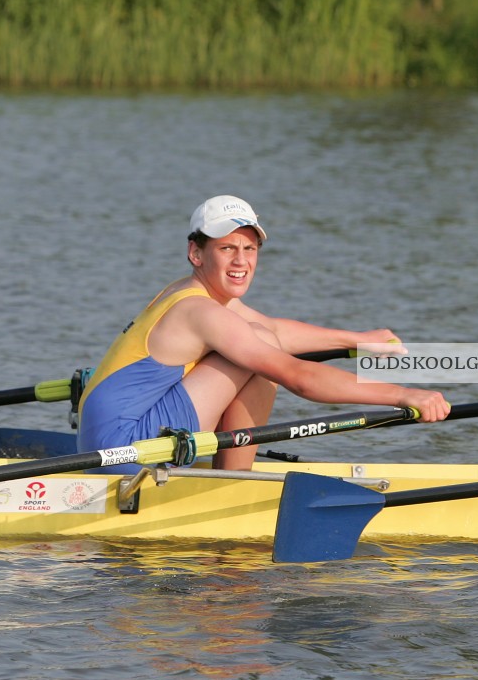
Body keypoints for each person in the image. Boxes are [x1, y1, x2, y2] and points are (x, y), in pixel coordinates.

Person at [78, 195, 450, 472]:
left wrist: (355, 338)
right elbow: (298, 377)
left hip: (103, 442)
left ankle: (231, 473)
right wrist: (403, 394)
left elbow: (272, 328)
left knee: (260, 338)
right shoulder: (201, 311)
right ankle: (234, 480)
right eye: (227, 248)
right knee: (263, 353)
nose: (241, 261)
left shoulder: (190, 291)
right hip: (125, 454)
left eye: (249, 248)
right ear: (196, 252)